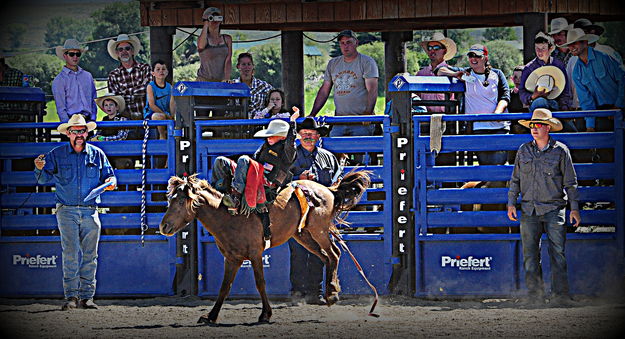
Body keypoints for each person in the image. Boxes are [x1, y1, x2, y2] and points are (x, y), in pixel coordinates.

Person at [33, 114, 116, 310]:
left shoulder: (97, 154)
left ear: (87, 132)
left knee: (90, 255)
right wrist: (38, 168)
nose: (79, 134)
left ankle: (87, 297)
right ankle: (71, 297)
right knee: (70, 254)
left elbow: (110, 177)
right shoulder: (56, 154)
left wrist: (111, 183)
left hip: (90, 211)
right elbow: (43, 180)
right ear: (68, 133)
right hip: (66, 211)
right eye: (75, 131)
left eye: (82, 131)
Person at [507, 108, 581, 306]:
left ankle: (561, 296)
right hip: (528, 209)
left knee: (558, 254)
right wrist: (511, 203)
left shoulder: (561, 151)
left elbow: (570, 182)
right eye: (532, 125)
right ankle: (535, 296)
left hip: (554, 209)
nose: (534, 128)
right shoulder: (523, 150)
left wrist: (574, 208)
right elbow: (515, 179)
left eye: (538, 125)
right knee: (530, 255)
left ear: (548, 127)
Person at [211, 109, 300, 246]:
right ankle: (219, 193)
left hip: (267, 181)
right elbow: (254, 161)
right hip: (254, 175)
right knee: (220, 161)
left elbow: (291, 143)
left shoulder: (288, 152)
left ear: (282, 137)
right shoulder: (265, 146)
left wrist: (292, 122)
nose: (269, 138)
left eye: (273, 135)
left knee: (244, 159)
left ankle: (235, 197)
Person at [288, 117, 341, 305]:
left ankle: (315, 292)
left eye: (311, 134)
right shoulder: (291, 155)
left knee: (320, 253)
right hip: (297, 215)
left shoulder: (328, 157)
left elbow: (337, 180)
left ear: (318, 136)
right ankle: (297, 293)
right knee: (298, 252)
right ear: (299, 137)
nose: (308, 137)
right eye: (304, 135)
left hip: (320, 215)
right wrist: (298, 177)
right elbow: (281, 180)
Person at [435, 44, 510, 165]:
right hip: (478, 127)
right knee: (486, 166)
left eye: (477, 56)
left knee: (499, 165)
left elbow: (505, 96)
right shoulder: (466, 73)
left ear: (485, 58)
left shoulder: (497, 74)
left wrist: (497, 113)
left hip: (499, 126)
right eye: (471, 55)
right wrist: (455, 74)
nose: (473, 59)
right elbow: (438, 70)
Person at [309, 30, 379, 138]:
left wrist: (368, 113)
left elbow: (372, 90)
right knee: (333, 150)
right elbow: (324, 90)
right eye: (342, 43)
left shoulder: (366, 62)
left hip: (360, 120)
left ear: (356, 43)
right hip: (339, 120)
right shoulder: (333, 63)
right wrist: (312, 114)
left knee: (360, 151)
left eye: (349, 42)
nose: (345, 46)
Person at [562, 28, 625, 133]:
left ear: (585, 43)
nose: (571, 47)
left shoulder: (604, 58)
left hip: (620, 107)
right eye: (569, 44)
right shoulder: (577, 71)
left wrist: (618, 105)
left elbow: (623, 79)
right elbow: (586, 101)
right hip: (599, 112)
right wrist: (590, 127)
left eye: (575, 43)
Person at [519, 32, 572, 114]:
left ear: (551, 48)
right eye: (537, 48)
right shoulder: (528, 68)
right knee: (540, 101)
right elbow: (522, 91)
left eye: (543, 48)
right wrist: (533, 96)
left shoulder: (558, 65)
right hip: (536, 105)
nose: (539, 51)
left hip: (556, 104)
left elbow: (565, 90)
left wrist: (564, 108)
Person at [107, 33, 152, 120]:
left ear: (132, 51)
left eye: (127, 48)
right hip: (125, 120)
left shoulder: (145, 68)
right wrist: (138, 92)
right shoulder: (113, 75)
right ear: (117, 53)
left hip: (147, 118)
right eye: (120, 49)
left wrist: (124, 93)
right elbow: (117, 100)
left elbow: (148, 90)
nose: (124, 52)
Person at [51, 39, 97, 123]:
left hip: (88, 122)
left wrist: (93, 119)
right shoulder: (59, 80)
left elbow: (93, 100)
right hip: (70, 122)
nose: (75, 57)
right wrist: (68, 126)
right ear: (65, 56)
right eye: (71, 54)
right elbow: (61, 108)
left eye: (77, 54)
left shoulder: (88, 76)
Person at [416, 32, 457, 113]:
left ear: (444, 51)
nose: (432, 51)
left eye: (436, 47)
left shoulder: (452, 72)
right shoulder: (420, 74)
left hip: (447, 119)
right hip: (424, 119)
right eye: (430, 48)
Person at [232, 52, 274, 118]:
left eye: (249, 64)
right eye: (243, 64)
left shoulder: (264, 86)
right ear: (238, 66)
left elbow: (276, 99)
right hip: (236, 123)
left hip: (258, 125)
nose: (247, 67)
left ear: (253, 66)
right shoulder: (232, 85)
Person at [196, 7, 232, 82]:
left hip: (220, 81)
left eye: (217, 17)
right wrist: (206, 22)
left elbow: (228, 60)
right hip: (203, 80)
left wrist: (227, 78)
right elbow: (201, 46)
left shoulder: (227, 39)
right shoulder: (203, 39)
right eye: (212, 17)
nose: (214, 20)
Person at [144, 60, 176, 140]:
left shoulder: (170, 87)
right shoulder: (150, 86)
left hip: (166, 113)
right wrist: (165, 115)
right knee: (158, 116)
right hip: (152, 113)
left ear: (167, 72)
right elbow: (152, 105)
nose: (161, 71)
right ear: (153, 73)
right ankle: (162, 136)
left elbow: (171, 104)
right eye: (158, 69)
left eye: (163, 69)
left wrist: (172, 116)